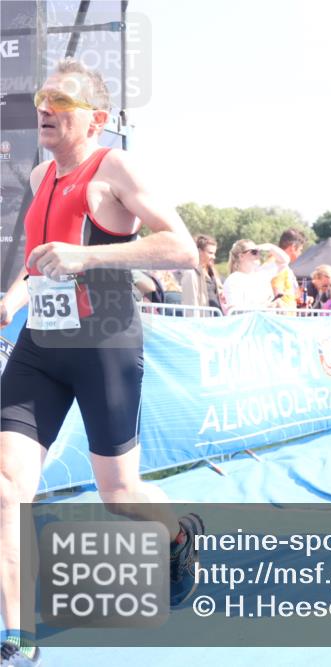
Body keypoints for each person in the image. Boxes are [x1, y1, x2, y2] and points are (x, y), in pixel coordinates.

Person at [0, 59, 204, 666]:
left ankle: (177, 538)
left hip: (104, 345)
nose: (46, 107)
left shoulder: (115, 167)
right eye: (42, 97)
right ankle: (17, 635)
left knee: (119, 493)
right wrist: (9, 297)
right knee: (9, 487)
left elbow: (184, 249)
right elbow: (36, 262)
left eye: (62, 99)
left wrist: (86, 259)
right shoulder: (40, 174)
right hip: (41, 346)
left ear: (97, 118)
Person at [222, 239, 290, 312]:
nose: (258, 255)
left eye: (258, 251)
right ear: (241, 256)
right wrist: (265, 307)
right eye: (254, 252)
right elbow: (234, 311)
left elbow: (285, 261)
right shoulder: (233, 280)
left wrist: (270, 247)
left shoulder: (262, 273)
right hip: (250, 322)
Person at [180, 233, 224, 315]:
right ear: (199, 251)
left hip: (217, 319)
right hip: (202, 322)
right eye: (210, 253)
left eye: (214, 253)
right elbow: (190, 303)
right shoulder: (191, 274)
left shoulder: (212, 272)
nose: (214, 257)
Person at [270, 228, 306, 310]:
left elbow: (287, 295)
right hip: (282, 319)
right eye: (300, 250)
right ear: (293, 247)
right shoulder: (278, 265)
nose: (300, 254)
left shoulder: (283, 266)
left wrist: (300, 299)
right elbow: (277, 296)